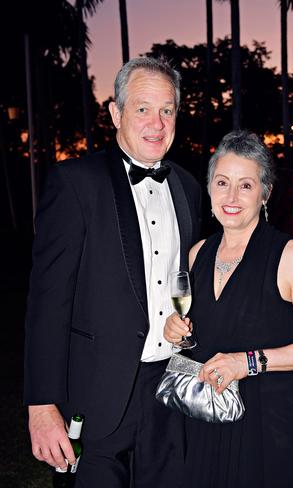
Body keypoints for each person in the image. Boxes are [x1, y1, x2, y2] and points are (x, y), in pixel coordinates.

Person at [24, 56, 201, 488]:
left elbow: (186, 284)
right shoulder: (75, 182)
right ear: (116, 114)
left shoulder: (189, 188)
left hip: (169, 394)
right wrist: (42, 405)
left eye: (167, 110)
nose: (156, 123)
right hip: (93, 397)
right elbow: (48, 302)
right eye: (142, 108)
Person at [164, 130, 293, 488]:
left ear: (265, 192)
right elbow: (205, 334)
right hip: (207, 416)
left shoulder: (291, 257)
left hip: (269, 423)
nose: (231, 196)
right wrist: (177, 332)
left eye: (246, 185)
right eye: (222, 182)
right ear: (210, 188)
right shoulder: (197, 254)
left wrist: (245, 362)